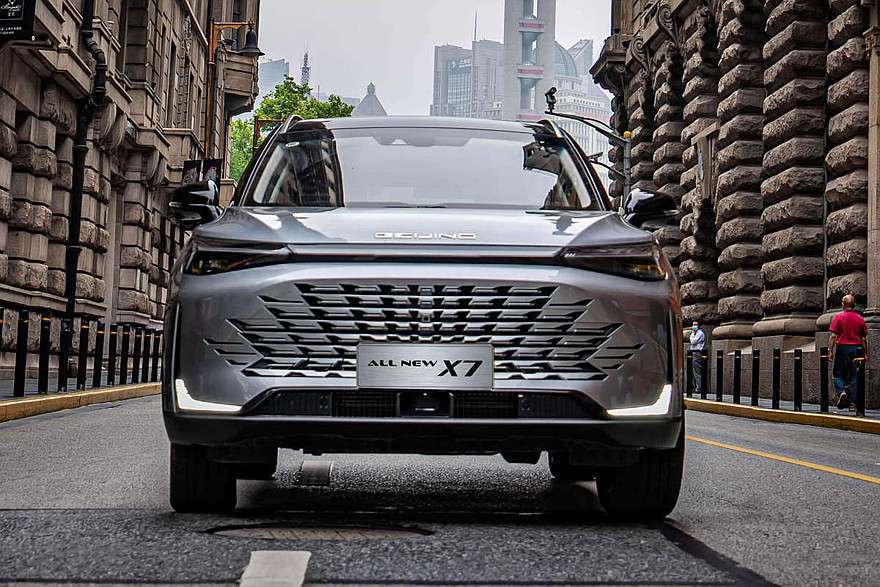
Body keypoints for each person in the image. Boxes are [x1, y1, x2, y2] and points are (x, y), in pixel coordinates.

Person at [829, 294, 867, 411]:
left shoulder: (838, 317)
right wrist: (865, 353)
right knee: (854, 376)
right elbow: (863, 339)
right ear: (854, 305)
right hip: (857, 349)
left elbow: (833, 336)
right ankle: (852, 404)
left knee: (838, 374)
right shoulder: (860, 319)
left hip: (842, 348)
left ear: (842, 304)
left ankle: (841, 392)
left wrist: (830, 351)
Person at [690, 321, 706, 395]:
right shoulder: (693, 333)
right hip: (693, 352)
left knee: (697, 370)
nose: (694, 326)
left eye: (696, 324)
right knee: (693, 370)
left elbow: (693, 341)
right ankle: (695, 387)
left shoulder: (700, 333)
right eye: (693, 324)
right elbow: (691, 340)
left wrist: (692, 337)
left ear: (698, 325)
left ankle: (699, 387)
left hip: (697, 352)